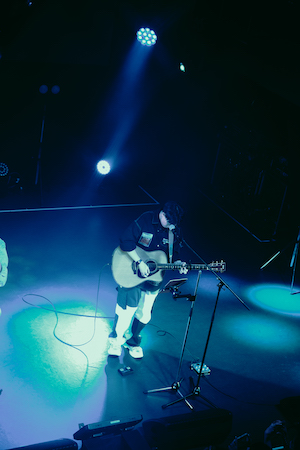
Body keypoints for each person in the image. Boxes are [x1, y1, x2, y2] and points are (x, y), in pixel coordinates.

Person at [108, 201, 187, 359]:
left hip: (154, 279)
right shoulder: (146, 219)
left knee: (145, 313)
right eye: (169, 222)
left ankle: (133, 342)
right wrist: (139, 262)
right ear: (163, 214)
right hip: (132, 271)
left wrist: (178, 264)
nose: (171, 226)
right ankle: (116, 340)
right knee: (127, 310)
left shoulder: (174, 230)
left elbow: (174, 255)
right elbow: (126, 240)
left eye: (174, 224)